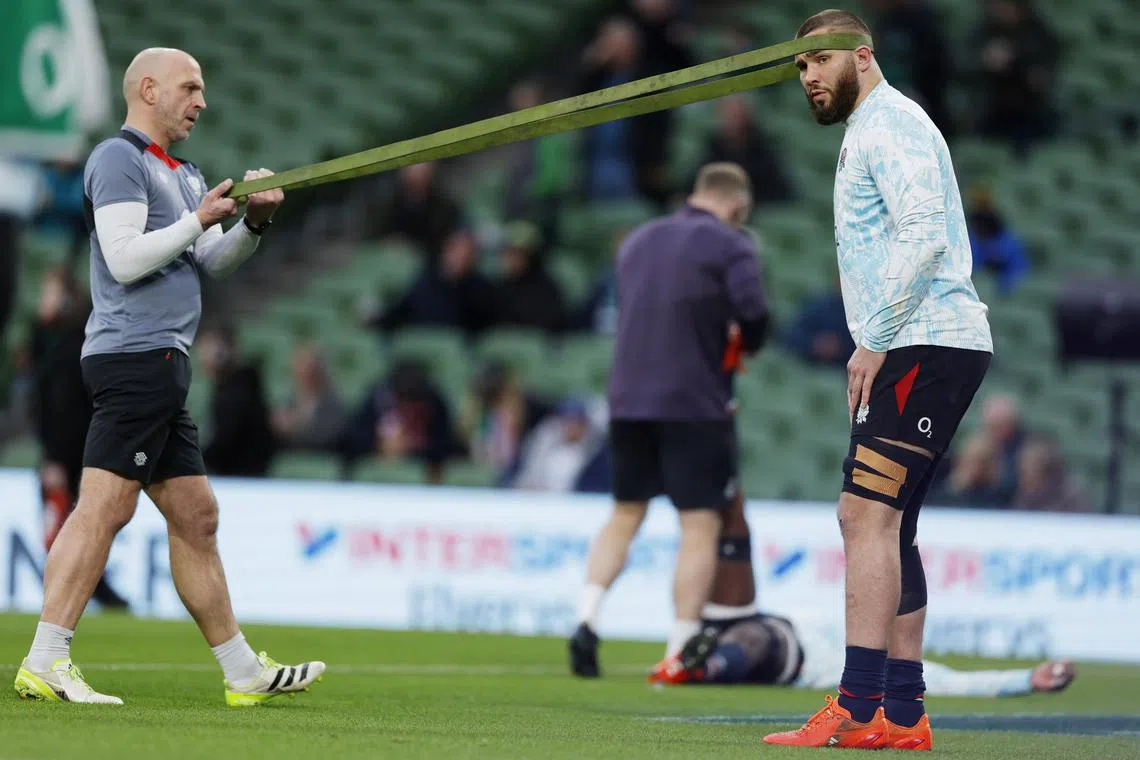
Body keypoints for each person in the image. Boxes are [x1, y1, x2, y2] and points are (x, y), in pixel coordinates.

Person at [13, 47, 324, 707]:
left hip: (160, 360)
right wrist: (198, 220)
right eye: (190, 87)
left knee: (197, 516)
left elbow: (210, 260)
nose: (201, 101)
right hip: (135, 356)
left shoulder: (184, 172)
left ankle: (242, 671)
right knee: (105, 506)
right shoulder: (118, 158)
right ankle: (46, 658)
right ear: (148, 89)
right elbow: (125, 261)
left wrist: (254, 225)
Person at [765, 12, 994, 750]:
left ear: (861, 57)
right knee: (891, 529)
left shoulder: (890, 124)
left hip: (921, 341)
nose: (809, 78)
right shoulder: (873, 128)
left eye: (819, 61)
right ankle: (902, 715)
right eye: (801, 67)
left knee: (862, 516)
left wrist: (873, 339)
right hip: (923, 341)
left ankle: (859, 703)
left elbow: (925, 233)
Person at [568, 162, 769, 679]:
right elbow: (753, 318)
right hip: (692, 402)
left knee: (624, 514)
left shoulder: (636, 241)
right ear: (737, 207)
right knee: (698, 525)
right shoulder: (732, 244)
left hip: (628, 399)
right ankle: (678, 650)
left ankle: (585, 617)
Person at [649, 495, 1077, 697]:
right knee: (733, 522)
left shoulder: (899, 667)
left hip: (787, 654)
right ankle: (701, 657)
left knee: (756, 643)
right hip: (768, 620)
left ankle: (705, 667)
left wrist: (1026, 680)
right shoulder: (867, 609)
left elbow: (958, 684)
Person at [30, 267, 129, 610]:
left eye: (51, 293)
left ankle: (82, 596)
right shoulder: (51, 343)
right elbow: (45, 406)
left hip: (78, 455)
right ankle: (89, 595)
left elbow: (65, 407)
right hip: (65, 454)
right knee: (67, 531)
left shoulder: (79, 343)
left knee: (76, 530)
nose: (44, 301)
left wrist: (54, 456)